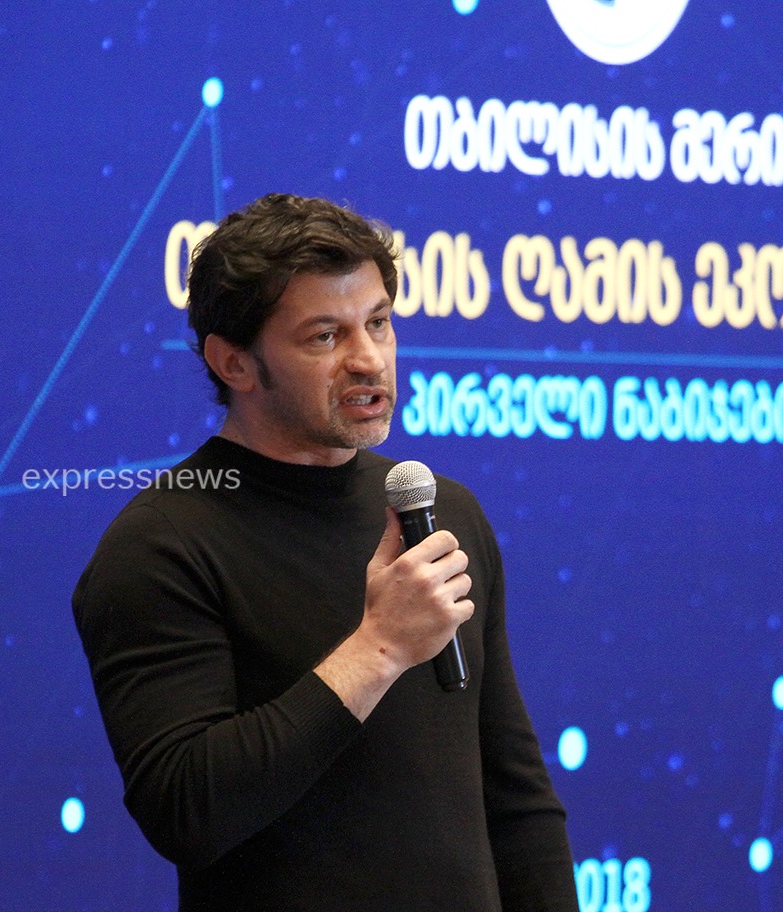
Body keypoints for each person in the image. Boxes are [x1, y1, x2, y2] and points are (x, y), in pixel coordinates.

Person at [72, 193, 578, 910]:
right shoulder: (162, 543)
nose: (368, 359)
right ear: (234, 362)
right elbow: (188, 810)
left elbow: (515, 797)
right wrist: (378, 648)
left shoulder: (442, 512)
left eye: (379, 323)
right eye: (324, 337)